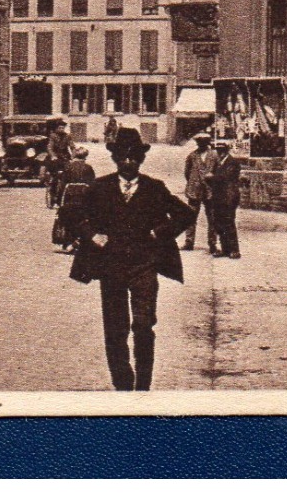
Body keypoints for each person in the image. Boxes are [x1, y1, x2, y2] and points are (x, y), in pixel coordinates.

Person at [70, 126, 196, 391]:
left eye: (134, 158)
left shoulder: (154, 189)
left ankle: (143, 387)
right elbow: (71, 215)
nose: (129, 163)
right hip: (111, 267)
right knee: (115, 330)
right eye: (123, 158)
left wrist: (160, 233)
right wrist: (92, 235)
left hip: (144, 266)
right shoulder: (100, 189)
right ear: (115, 159)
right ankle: (123, 385)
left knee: (143, 325)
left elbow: (186, 214)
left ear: (141, 160)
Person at [53, 145, 98, 253]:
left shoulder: (68, 166)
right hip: (84, 194)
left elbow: (62, 184)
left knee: (67, 216)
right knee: (82, 217)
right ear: (85, 157)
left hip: (69, 194)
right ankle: (79, 241)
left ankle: (68, 242)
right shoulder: (88, 167)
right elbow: (92, 184)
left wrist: (58, 199)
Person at [204, 138, 242, 259]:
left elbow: (225, 179)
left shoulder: (232, 162)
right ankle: (225, 249)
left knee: (229, 223)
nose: (218, 153)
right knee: (219, 224)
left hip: (229, 198)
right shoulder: (219, 163)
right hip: (219, 198)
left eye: (220, 151)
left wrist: (211, 177)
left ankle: (234, 250)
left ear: (224, 151)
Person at [181, 132, 217, 252]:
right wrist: (194, 182)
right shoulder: (192, 155)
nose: (200, 144)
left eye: (203, 142)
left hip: (210, 191)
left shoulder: (214, 155)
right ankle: (189, 242)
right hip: (194, 191)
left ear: (207, 143)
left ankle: (212, 243)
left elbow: (219, 172)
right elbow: (187, 172)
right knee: (190, 216)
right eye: (199, 142)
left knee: (212, 218)